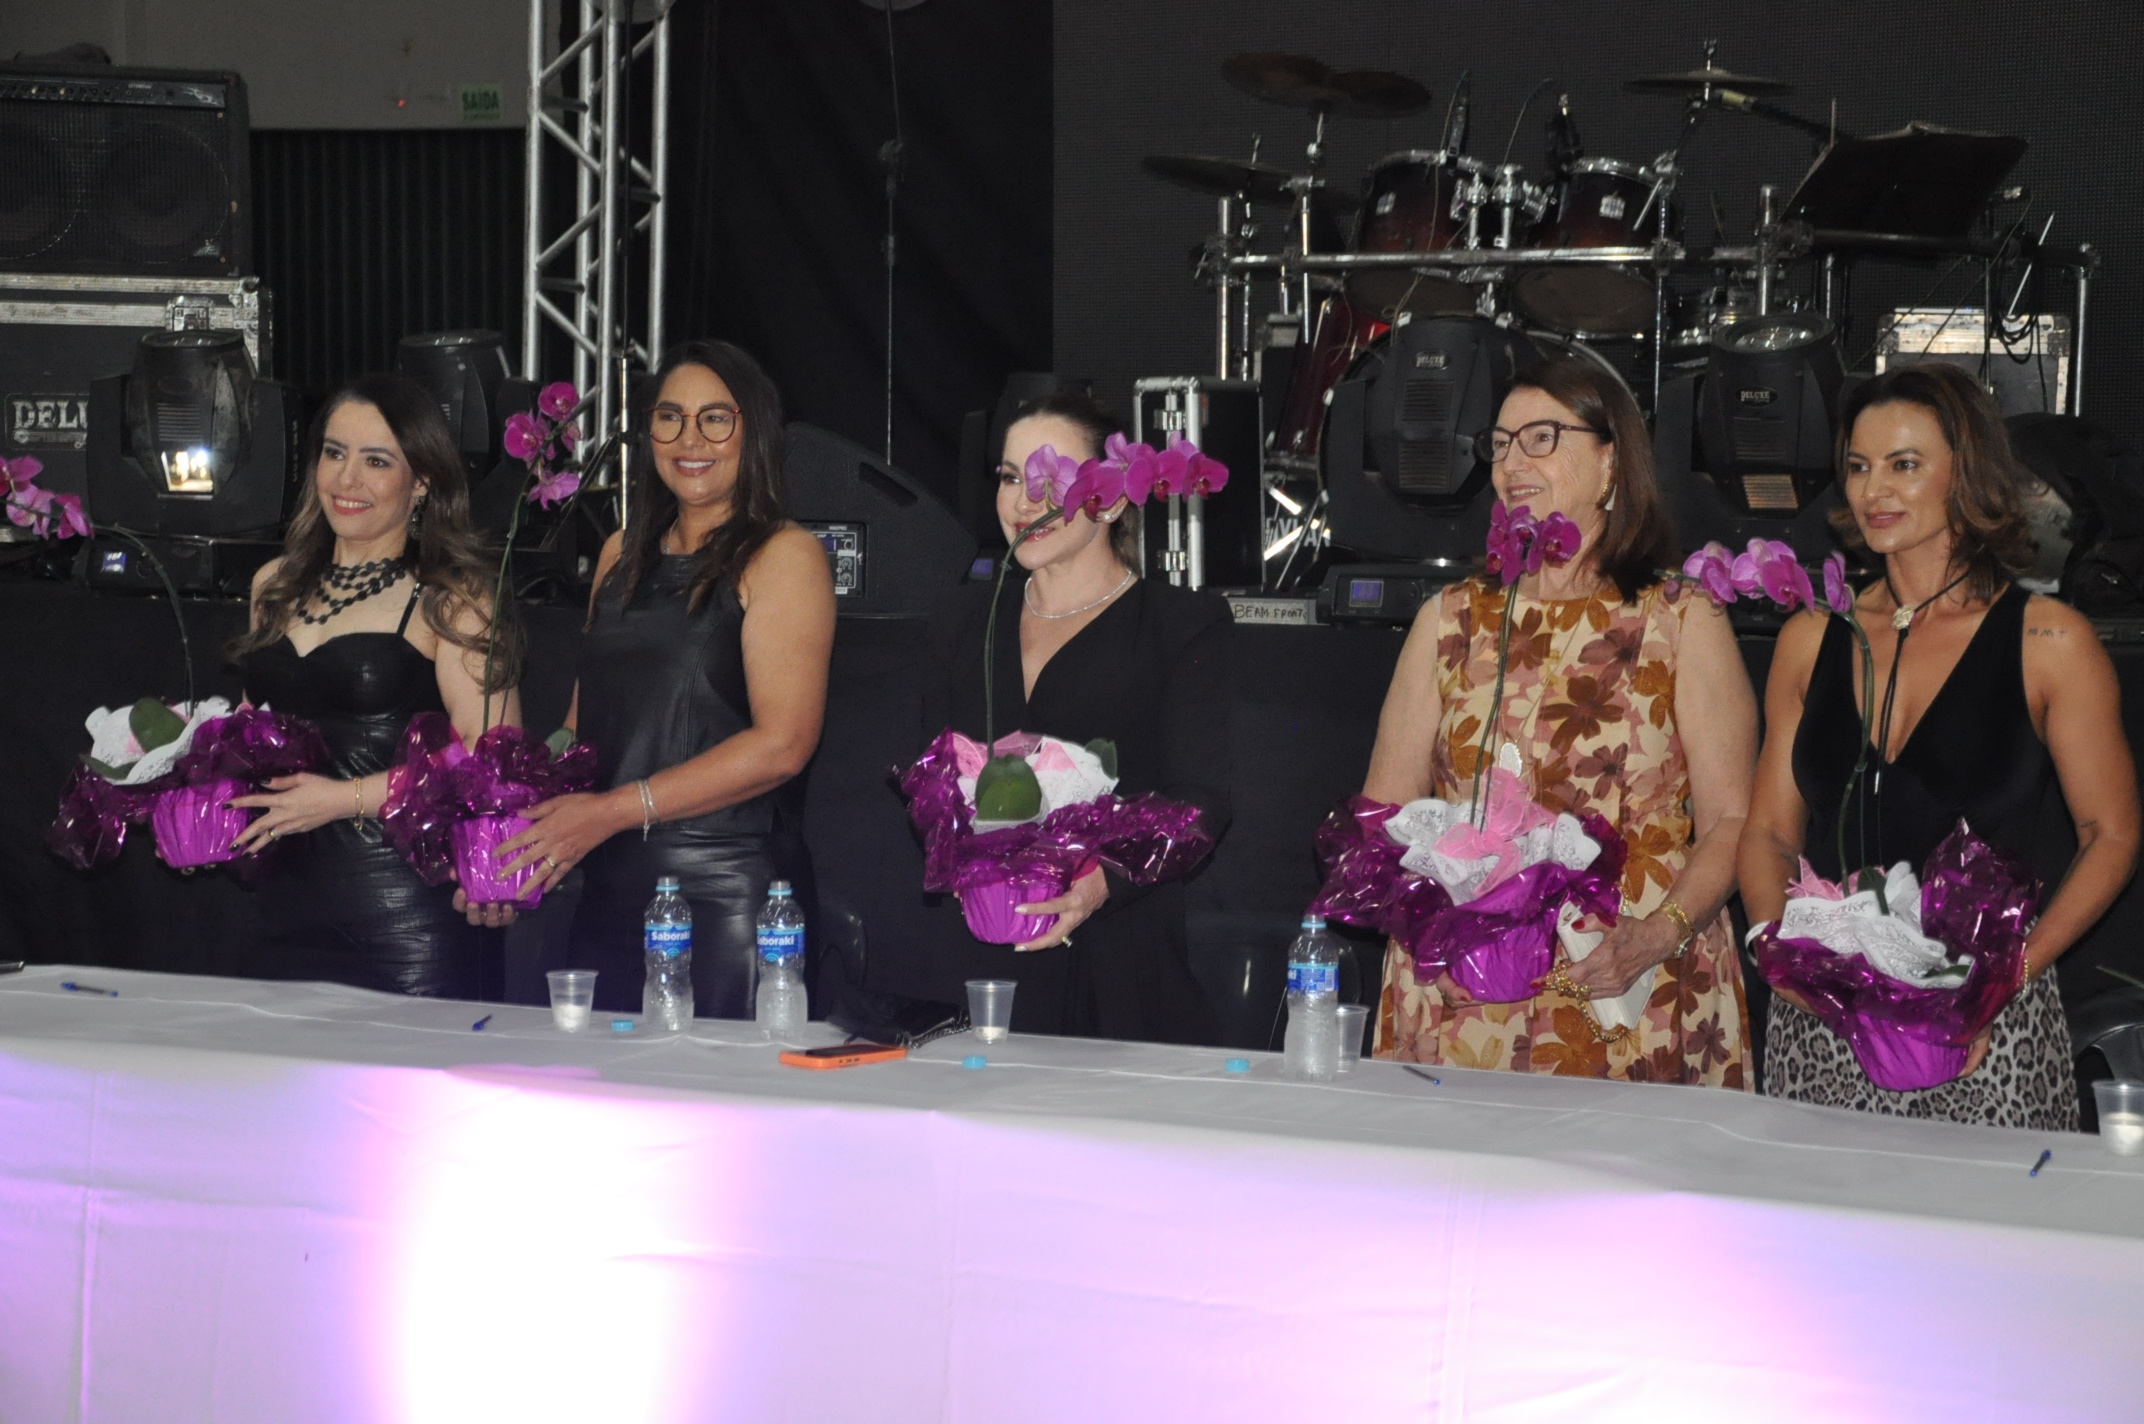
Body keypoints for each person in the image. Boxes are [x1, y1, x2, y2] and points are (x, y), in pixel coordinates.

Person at [1739, 363, 2138, 1129]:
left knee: (1982, 1212)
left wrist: (2003, 981)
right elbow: (1767, 831)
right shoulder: (1811, 637)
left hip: (1984, 1029)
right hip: (1827, 1023)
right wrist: (1772, 950)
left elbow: (2111, 835)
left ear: (1966, 474)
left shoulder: (2049, 642)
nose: (1874, 490)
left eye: (1904, 464)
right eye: (1860, 466)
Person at [1362, 354, 1757, 1084]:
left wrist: (1655, 936)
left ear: (1611, 462)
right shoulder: (1450, 620)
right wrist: (1434, 924)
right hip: (1466, 993)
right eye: (1500, 444)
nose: (1512, 462)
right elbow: (1385, 816)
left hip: (1633, 984)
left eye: (1541, 437)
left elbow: (1734, 820)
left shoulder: (1681, 618)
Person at [878, 390, 1233, 1043]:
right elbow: (925, 774)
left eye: (1050, 479)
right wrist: (954, 848)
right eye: (1011, 477)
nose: (1023, 501)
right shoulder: (963, 618)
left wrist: (1101, 882)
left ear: (1114, 498)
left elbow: (1200, 802)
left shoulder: (1179, 624)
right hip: (976, 956)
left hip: (1116, 962)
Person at [495, 340, 835, 1017]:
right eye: (670, 417)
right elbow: (580, 729)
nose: (690, 439)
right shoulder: (619, 551)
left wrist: (611, 812)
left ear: (755, 431)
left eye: (716, 418)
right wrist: (512, 833)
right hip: (610, 883)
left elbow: (783, 746)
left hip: (730, 898)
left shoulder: (784, 555)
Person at [228, 373, 522, 998]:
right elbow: (250, 735)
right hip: (281, 906)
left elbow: (492, 759)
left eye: (377, 461)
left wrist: (341, 799)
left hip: (406, 917)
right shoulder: (272, 585)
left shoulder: (454, 596)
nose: (347, 479)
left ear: (423, 482)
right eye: (334, 453)